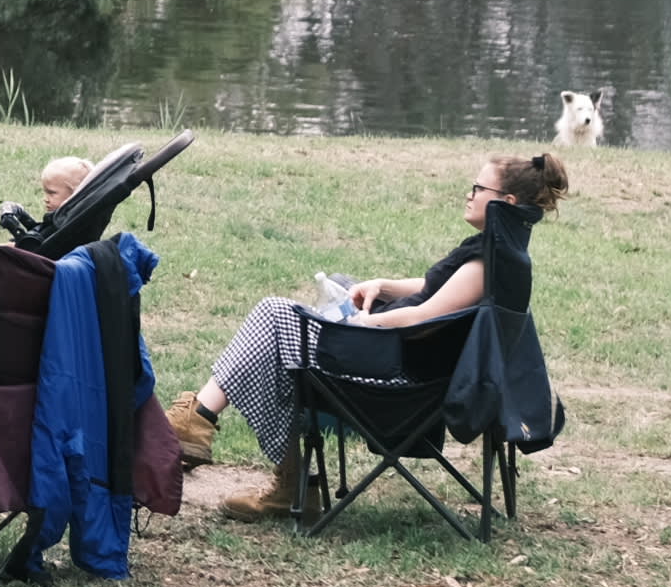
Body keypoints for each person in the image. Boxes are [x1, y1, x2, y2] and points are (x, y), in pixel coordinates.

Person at [169, 152, 571, 521]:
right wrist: (382, 285)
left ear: (507, 203)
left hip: (399, 381)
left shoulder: (486, 262)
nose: (469, 194)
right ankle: (287, 480)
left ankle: (201, 419)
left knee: (275, 316)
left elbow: (425, 317)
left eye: (479, 189)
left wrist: (359, 325)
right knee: (322, 305)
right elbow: (439, 287)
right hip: (409, 364)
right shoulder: (504, 254)